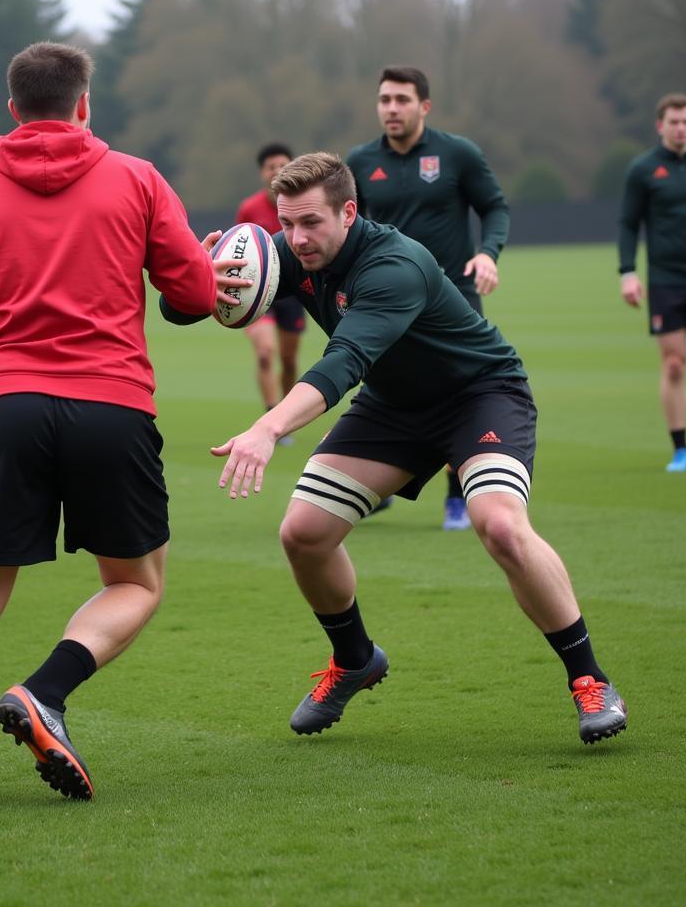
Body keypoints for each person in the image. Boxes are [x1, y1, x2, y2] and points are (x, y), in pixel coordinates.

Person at [162, 152, 627, 748]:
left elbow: (344, 364)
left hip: (478, 396)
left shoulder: (395, 264)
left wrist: (268, 428)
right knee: (303, 533)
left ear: (349, 212)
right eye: (287, 223)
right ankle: (355, 659)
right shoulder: (284, 249)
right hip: (395, 407)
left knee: (500, 526)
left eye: (311, 223)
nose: (297, 239)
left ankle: (590, 678)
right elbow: (183, 310)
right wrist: (198, 276)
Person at [0, 41, 237, 805]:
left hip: (7, 407)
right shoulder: (138, 179)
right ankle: (46, 691)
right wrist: (197, 274)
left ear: (13, 109)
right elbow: (195, 296)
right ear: (84, 103)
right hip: (114, 407)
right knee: (135, 584)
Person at [347, 66, 510, 530]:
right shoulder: (360, 162)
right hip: (385, 299)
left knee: (459, 393)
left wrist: (487, 253)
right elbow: (348, 227)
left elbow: (494, 206)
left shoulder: (456, 154)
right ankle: (379, 484)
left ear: (424, 106)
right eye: (384, 100)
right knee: (385, 389)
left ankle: (458, 496)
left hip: (452, 297)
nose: (392, 108)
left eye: (401, 99)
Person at [618, 92, 686, 473]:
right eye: (674, 122)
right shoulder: (644, 169)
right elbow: (628, 223)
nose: (681, 128)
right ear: (661, 125)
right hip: (667, 279)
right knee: (674, 365)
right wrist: (627, 272)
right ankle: (681, 448)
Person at [235, 144, 307, 443]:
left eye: (283, 165)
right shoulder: (249, 208)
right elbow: (239, 248)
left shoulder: (302, 205)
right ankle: (270, 412)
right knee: (266, 354)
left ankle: (286, 418)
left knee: (288, 361)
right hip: (258, 292)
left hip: (293, 292)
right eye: (270, 166)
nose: (277, 170)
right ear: (262, 173)